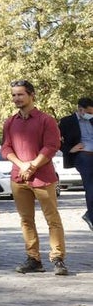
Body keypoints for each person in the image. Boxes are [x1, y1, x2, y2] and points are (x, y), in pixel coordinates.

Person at [2, 80, 68, 275]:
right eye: (13, 95)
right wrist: (22, 165)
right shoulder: (10, 122)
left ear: (31, 95)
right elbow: (6, 148)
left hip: (43, 178)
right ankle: (33, 259)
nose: (16, 98)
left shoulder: (46, 120)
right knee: (26, 220)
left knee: (52, 219)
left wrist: (32, 165)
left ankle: (58, 259)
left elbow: (51, 146)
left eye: (20, 94)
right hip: (18, 178)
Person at [58, 96, 93, 233]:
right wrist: (69, 150)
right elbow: (54, 138)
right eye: (89, 112)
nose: (91, 115)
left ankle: (89, 213)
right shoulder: (67, 121)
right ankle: (91, 216)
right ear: (80, 110)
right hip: (82, 156)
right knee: (90, 184)